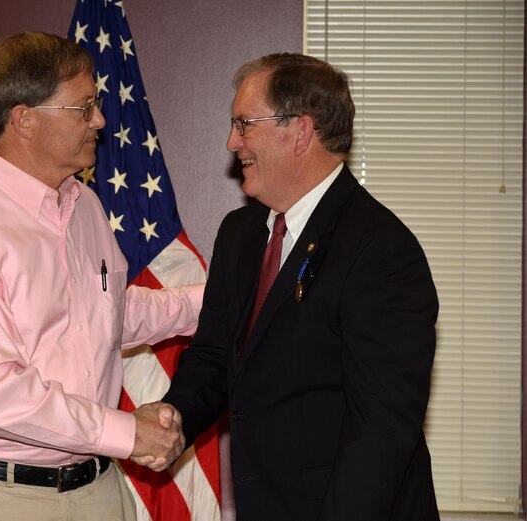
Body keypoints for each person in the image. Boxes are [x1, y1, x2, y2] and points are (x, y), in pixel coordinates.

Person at [0, 32, 200, 521]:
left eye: (97, 104)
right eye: (83, 108)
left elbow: (107, 314)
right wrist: (129, 433)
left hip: (98, 490)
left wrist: (220, 299)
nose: (101, 121)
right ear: (24, 119)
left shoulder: (83, 205)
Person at [160, 53, 440, 521]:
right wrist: (172, 419)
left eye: (244, 124)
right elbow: (213, 357)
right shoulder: (240, 233)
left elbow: (381, 432)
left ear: (301, 132)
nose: (232, 141)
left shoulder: (383, 250)